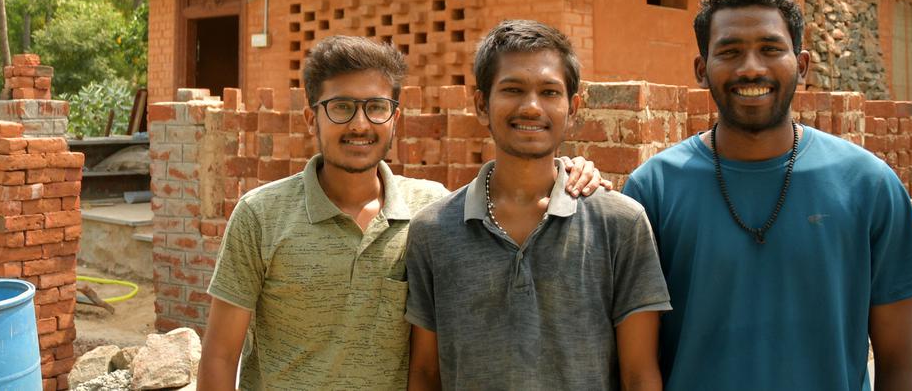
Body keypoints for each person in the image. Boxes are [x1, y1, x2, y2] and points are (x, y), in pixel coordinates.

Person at [197, 35, 607, 391]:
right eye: (341, 107)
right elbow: (219, 356)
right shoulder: (261, 215)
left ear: (395, 117)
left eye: (376, 107)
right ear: (311, 118)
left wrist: (567, 170)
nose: (360, 124)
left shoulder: (433, 211)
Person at [623, 0, 912, 391]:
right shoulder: (654, 190)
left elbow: (899, 363)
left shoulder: (869, 185)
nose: (751, 67)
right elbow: (636, 369)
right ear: (702, 70)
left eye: (770, 49)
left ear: (802, 65)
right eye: (730, 51)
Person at [405, 20, 671, 391]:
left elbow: (639, 374)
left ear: (573, 108)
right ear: (482, 104)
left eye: (549, 92)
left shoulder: (620, 224)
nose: (531, 107)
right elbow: (425, 373)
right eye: (513, 89)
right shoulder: (433, 230)